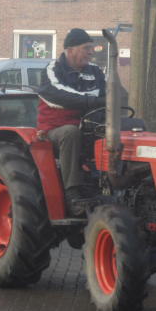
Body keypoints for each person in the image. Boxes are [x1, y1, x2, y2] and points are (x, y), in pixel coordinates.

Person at [37, 28, 106, 216]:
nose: (91, 52)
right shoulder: (54, 69)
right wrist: (94, 101)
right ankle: (72, 194)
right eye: (86, 48)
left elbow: (111, 95)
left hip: (90, 127)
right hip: (55, 130)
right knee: (70, 132)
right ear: (70, 50)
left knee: (130, 128)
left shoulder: (96, 72)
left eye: (92, 48)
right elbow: (56, 94)